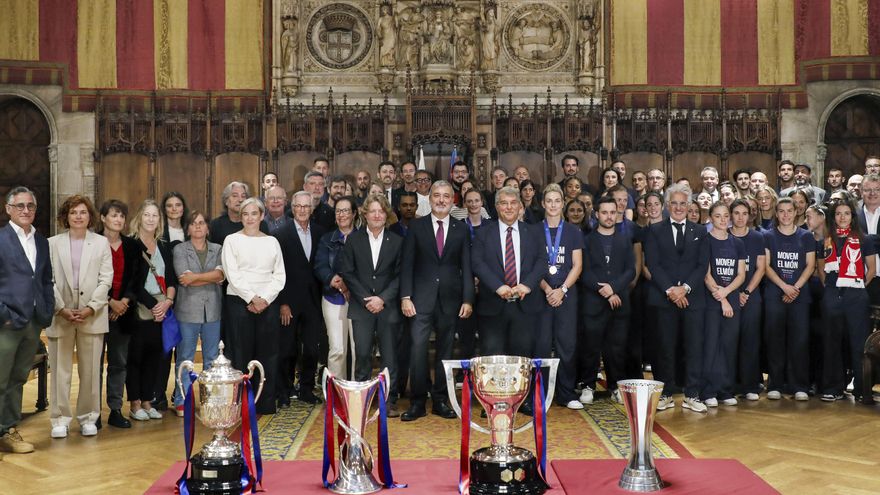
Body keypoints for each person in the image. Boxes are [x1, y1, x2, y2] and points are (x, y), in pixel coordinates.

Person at [399, 181, 473, 421]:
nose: (441, 200)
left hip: (451, 300)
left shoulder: (461, 228)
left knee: (446, 352)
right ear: (429, 199)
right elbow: (407, 264)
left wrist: (468, 299)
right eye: (437, 196)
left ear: (453, 200)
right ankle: (418, 401)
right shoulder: (417, 227)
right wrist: (405, 296)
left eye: (446, 196)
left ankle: (440, 399)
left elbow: (467, 266)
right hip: (420, 300)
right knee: (418, 350)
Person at [471, 187, 546, 415]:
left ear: (520, 206)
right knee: (493, 353)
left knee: (522, 354)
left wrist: (527, 285)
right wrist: (498, 286)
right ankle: (491, 401)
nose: (509, 207)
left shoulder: (533, 232)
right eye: (504, 203)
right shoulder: (484, 232)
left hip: (525, 304)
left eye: (514, 203)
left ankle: (521, 400)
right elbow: (478, 263)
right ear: (497, 207)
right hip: (493, 304)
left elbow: (541, 262)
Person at [46, 196, 112, 439]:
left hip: (91, 315)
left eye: (83, 212)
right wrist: (60, 307)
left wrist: (91, 307)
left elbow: (106, 278)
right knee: (61, 371)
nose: (78, 216)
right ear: (66, 216)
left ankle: (88, 417)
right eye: (73, 212)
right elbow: (48, 279)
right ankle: (59, 419)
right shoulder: (52, 243)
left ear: (90, 216)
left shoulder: (101, 242)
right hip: (61, 312)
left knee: (91, 371)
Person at [643, 184, 710, 413]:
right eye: (674, 203)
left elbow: (702, 265)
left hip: (693, 299)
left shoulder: (700, 231)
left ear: (689, 205)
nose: (679, 207)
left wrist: (685, 289)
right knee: (665, 347)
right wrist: (671, 290)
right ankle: (667, 393)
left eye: (683, 203)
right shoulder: (654, 230)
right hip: (664, 299)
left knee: (693, 347)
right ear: (667, 205)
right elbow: (653, 264)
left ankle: (692, 394)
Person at [338, 194, 404, 417]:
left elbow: (400, 275)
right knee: (363, 354)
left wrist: (382, 299)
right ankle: (362, 400)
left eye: (381, 211)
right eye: (372, 211)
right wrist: (367, 298)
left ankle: (390, 399)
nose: (377, 215)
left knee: (390, 355)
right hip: (361, 307)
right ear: (365, 214)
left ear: (386, 215)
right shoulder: (354, 240)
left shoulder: (397, 241)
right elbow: (348, 272)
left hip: (388, 307)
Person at [0, 187, 54, 454]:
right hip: (6, 323)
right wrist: (4, 315)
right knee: (0, 378)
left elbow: (45, 280)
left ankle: (8, 430)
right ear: (8, 209)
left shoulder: (41, 241)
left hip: (33, 322)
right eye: (19, 205)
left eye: (30, 206)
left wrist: (46, 310)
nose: (25, 210)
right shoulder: (0, 240)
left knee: (18, 377)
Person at [222, 198, 286, 414]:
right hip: (239, 302)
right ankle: (242, 404)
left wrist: (264, 299)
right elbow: (232, 273)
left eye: (254, 213)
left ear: (261, 216)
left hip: (268, 302)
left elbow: (279, 275)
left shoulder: (272, 242)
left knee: (268, 353)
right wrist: (251, 298)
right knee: (241, 352)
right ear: (241, 217)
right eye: (245, 214)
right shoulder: (231, 240)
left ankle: (265, 402)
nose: (250, 218)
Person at [532, 185, 584, 410]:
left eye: (557, 201)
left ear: (563, 203)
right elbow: (530, 267)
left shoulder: (573, 231)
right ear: (543, 204)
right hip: (541, 294)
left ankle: (566, 393)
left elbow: (577, 265)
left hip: (566, 295)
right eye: (549, 201)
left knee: (567, 345)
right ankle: (540, 394)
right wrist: (546, 289)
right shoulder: (533, 231)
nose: (553, 205)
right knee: (541, 344)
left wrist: (561, 290)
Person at [818, 199, 875, 402]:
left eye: (847, 213)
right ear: (833, 218)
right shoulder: (826, 240)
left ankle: (861, 388)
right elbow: (821, 269)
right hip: (832, 293)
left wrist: (855, 287)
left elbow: (872, 270)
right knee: (831, 341)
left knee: (858, 343)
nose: (842, 217)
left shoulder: (864, 239)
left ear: (853, 216)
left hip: (856, 295)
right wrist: (833, 289)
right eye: (838, 214)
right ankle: (833, 387)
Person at [580, 197, 634, 405]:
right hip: (594, 302)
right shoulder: (587, 240)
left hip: (619, 303)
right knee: (590, 347)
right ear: (597, 214)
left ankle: (615, 385)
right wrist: (604, 290)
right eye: (605, 212)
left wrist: (615, 288)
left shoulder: (624, 239)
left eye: (613, 212)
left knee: (617, 348)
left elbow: (630, 269)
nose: (609, 216)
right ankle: (587, 385)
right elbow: (584, 271)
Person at [274, 191, 325, 406]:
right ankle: (285, 391)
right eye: (299, 206)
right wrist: (283, 302)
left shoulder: (321, 232)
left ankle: (306, 389)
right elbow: (276, 271)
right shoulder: (280, 234)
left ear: (312, 209)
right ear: (292, 208)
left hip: (314, 301)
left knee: (312, 348)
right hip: (289, 302)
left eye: (307, 206)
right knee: (287, 348)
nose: (303, 210)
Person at [127, 199, 177, 421]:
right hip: (139, 306)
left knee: (155, 356)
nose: (150, 219)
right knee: (135, 356)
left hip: (162, 307)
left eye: (154, 216)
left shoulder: (164, 245)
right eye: (146, 215)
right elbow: (132, 282)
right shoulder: (131, 244)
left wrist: (167, 302)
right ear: (140, 217)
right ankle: (135, 403)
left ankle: (149, 400)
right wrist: (153, 305)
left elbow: (172, 279)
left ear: (160, 220)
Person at [762, 197, 816, 401]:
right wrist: (784, 286)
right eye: (781, 211)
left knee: (799, 340)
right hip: (775, 293)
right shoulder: (767, 235)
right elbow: (766, 266)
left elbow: (810, 265)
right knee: (775, 339)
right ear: (776, 213)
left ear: (796, 213)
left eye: (789, 211)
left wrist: (795, 288)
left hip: (800, 295)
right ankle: (775, 383)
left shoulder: (806, 236)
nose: (785, 215)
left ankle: (799, 385)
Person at [171, 211, 224, 416]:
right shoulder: (180, 249)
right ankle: (182, 399)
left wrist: (197, 278)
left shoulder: (218, 249)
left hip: (212, 311)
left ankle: (210, 399)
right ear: (188, 228)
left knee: (212, 358)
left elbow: (221, 276)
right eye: (193, 224)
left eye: (202, 223)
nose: (198, 227)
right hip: (187, 311)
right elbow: (184, 279)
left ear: (207, 227)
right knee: (185, 357)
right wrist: (210, 277)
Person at [97, 200, 140, 429]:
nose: (119, 220)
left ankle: (115, 409)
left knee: (119, 363)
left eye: (122, 216)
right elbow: (87, 278)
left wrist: (122, 302)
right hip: (95, 311)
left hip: (123, 313)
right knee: (94, 365)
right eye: (114, 215)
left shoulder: (131, 245)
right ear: (103, 217)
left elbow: (135, 278)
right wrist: (108, 302)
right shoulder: (92, 242)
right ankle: (93, 413)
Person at [701, 202, 746, 408]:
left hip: (731, 300)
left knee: (729, 345)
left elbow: (741, 274)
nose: (722, 219)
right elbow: (706, 273)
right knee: (711, 346)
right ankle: (708, 390)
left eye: (725, 216)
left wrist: (727, 294)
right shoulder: (705, 240)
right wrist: (721, 298)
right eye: (717, 216)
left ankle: (725, 390)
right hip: (712, 302)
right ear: (710, 217)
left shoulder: (737, 243)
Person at [314, 196, 357, 380]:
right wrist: (336, 281)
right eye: (338, 211)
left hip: (359, 300)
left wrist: (350, 285)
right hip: (333, 298)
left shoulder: (363, 237)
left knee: (358, 349)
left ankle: (357, 391)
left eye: (346, 210)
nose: (342, 214)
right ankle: (336, 392)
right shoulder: (326, 239)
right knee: (337, 349)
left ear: (354, 213)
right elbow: (320, 266)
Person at [729, 199, 766, 401]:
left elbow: (760, 268)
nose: (741, 217)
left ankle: (750, 385)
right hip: (728, 296)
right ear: (731, 214)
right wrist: (735, 294)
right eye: (737, 213)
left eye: (745, 213)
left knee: (750, 341)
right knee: (730, 341)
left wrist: (747, 292)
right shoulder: (723, 236)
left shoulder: (757, 237)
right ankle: (730, 383)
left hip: (751, 296)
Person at [857, 174, 880, 305]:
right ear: (861, 192)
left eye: (877, 189)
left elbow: (860, 241)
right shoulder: (853, 216)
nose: (872, 193)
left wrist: (866, 241)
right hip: (861, 278)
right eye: (867, 190)